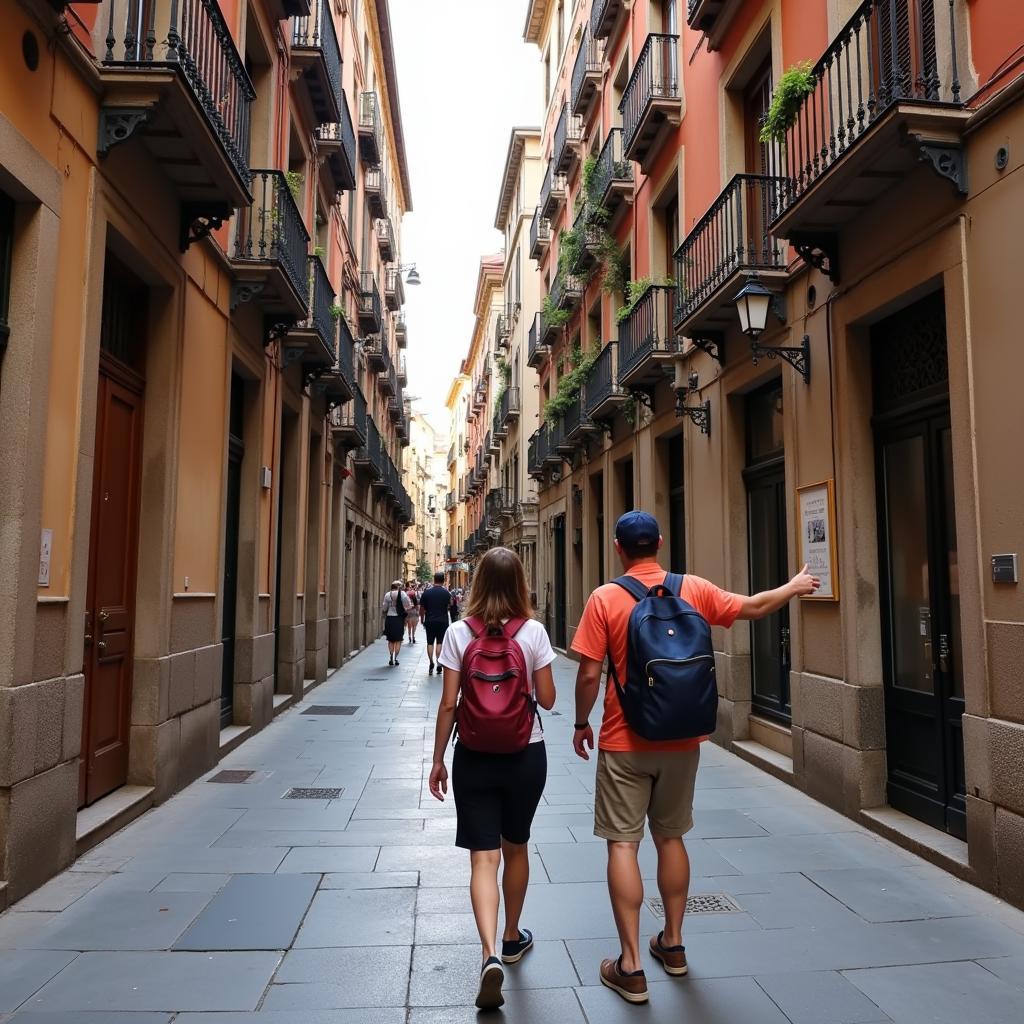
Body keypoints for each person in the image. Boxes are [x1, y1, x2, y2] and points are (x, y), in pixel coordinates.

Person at [571, 511, 820, 1006]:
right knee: (671, 837)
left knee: (623, 845)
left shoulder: (605, 598)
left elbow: (587, 675)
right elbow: (751, 607)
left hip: (625, 740)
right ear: (659, 543)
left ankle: (631, 966)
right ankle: (675, 944)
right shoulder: (694, 589)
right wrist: (793, 586)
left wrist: (582, 724)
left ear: (619, 548)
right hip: (683, 740)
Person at [428, 547, 556, 1011]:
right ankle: (510, 937)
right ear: (520, 583)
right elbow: (548, 699)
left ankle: (487, 955)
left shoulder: (461, 633)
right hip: (526, 753)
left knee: (484, 858)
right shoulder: (535, 632)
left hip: (474, 755)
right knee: (516, 845)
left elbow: (448, 704)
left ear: (477, 584)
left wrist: (438, 759)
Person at [418, 571, 453, 675]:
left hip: (430, 620)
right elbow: (449, 606)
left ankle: (431, 662)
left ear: (434, 579)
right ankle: (438, 663)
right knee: (439, 642)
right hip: (442, 621)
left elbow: (422, 608)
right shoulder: (447, 593)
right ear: (443, 580)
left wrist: (422, 619)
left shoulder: (427, 592)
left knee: (429, 642)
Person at [381, 580, 409, 666]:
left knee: (390, 640)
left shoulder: (387, 594)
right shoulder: (403, 594)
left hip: (390, 619)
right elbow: (407, 604)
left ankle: (391, 656)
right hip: (399, 619)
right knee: (398, 640)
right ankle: (396, 658)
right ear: (399, 587)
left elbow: (384, 608)